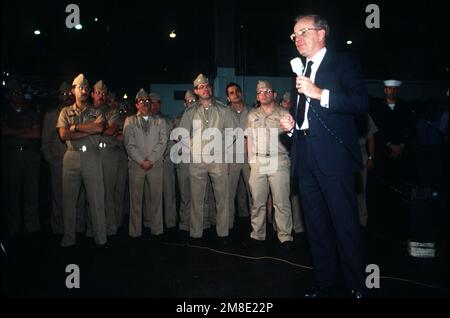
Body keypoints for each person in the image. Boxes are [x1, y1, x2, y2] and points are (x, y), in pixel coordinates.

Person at [280, 14, 368, 298]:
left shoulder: (344, 62)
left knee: (345, 225)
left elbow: (360, 104)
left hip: (334, 159)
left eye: (303, 32)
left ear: (322, 33)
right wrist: (293, 128)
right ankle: (325, 281)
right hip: (305, 157)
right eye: (294, 35)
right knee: (315, 227)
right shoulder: (300, 70)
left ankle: (356, 285)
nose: (298, 38)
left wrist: (321, 93)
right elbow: (306, 118)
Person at [178, 74, 237, 244]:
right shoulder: (190, 112)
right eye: (201, 87)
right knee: (196, 198)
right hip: (197, 160)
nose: (205, 89)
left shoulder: (223, 110)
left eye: (207, 86)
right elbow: (181, 134)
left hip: (218, 159)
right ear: (196, 91)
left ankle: (223, 233)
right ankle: (196, 234)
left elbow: (232, 133)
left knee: (222, 198)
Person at [57, 74, 107, 248]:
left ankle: (101, 238)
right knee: (69, 201)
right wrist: (89, 130)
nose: (84, 91)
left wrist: (76, 127)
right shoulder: (65, 111)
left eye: (86, 88)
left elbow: (100, 127)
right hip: (71, 157)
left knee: (96, 200)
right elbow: (63, 135)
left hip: (91, 157)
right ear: (73, 91)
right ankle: (69, 237)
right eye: (80, 88)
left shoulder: (97, 112)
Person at [247, 81, 293, 247]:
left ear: (274, 94)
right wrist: (251, 160)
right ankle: (257, 234)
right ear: (257, 96)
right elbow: (249, 139)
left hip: (278, 160)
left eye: (267, 91)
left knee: (281, 202)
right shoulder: (252, 115)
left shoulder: (284, 113)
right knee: (257, 201)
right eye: (260, 92)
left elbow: (292, 137)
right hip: (258, 160)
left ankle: (285, 236)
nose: (264, 94)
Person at [123, 89, 167, 239]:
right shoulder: (130, 121)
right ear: (136, 105)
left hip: (155, 165)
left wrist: (151, 160)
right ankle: (135, 232)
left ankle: (157, 230)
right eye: (142, 101)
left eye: (147, 101)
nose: (145, 103)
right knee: (136, 200)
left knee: (156, 199)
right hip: (137, 165)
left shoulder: (160, 121)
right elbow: (129, 144)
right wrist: (142, 161)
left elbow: (163, 143)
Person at [1, 79, 42, 238]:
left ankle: (32, 228)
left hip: (30, 157)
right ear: (8, 95)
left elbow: (36, 134)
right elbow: (2, 131)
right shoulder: (4, 113)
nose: (17, 95)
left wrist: (12, 131)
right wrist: (25, 131)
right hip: (11, 156)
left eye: (19, 92)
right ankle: (13, 229)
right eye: (14, 92)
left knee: (31, 194)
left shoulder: (32, 113)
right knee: (12, 193)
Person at [225, 82, 252, 230]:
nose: (235, 94)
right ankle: (227, 226)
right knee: (229, 195)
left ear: (241, 93)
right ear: (228, 98)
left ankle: (256, 227)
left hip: (249, 158)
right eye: (231, 93)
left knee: (253, 193)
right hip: (232, 158)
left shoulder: (252, 112)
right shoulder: (224, 113)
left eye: (237, 91)